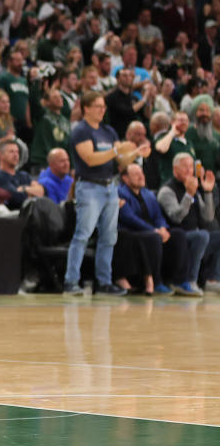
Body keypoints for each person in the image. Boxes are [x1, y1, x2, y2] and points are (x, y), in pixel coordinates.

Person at [64, 91, 150, 296]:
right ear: (86, 108)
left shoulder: (108, 131)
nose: (103, 110)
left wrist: (136, 154)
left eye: (104, 106)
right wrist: (116, 151)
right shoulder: (81, 131)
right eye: (98, 106)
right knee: (83, 235)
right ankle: (70, 282)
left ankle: (103, 282)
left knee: (109, 237)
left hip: (110, 186)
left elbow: (119, 162)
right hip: (90, 187)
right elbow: (91, 159)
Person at [157, 153, 220, 296]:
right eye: (185, 167)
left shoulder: (194, 189)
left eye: (191, 167)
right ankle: (190, 280)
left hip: (196, 236)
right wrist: (188, 195)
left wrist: (208, 192)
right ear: (175, 170)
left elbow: (208, 217)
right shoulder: (167, 190)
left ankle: (213, 279)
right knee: (202, 235)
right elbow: (176, 217)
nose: (189, 170)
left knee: (214, 236)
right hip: (175, 238)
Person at [118, 163, 185, 296]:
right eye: (136, 174)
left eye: (141, 173)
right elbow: (129, 218)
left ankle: (179, 281)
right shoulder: (120, 193)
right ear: (125, 179)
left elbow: (158, 216)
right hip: (132, 232)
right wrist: (154, 230)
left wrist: (162, 228)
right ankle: (157, 281)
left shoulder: (148, 194)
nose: (141, 177)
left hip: (152, 230)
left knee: (178, 234)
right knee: (153, 237)